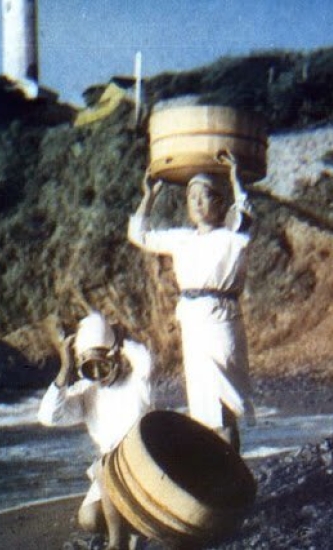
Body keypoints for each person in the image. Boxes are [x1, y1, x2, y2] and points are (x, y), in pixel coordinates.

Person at [127, 152, 255, 451]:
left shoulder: (232, 237)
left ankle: (231, 481)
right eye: (191, 197)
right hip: (193, 324)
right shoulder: (182, 238)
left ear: (221, 204)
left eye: (206, 196)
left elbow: (246, 217)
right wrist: (149, 196)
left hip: (221, 320)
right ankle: (221, 479)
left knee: (223, 404)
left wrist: (236, 181)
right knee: (204, 408)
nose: (197, 203)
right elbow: (140, 234)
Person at [37, 311, 153, 550]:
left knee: (105, 465)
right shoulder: (86, 393)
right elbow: (49, 416)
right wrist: (65, 368)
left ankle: (117, 543)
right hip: (113, 480)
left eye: (103, 365)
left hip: (146, 467)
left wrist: (121, 342)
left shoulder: (139, 383)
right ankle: (133, 530)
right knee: (88, 519)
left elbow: (145, 360)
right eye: (91, 369)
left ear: (115, 358)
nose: (99, 375)